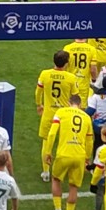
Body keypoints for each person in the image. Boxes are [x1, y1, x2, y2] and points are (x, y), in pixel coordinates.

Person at [44, 95, 94, 210]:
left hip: (64, 154)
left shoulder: (61, 112)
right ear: (80, 104)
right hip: (79, 156)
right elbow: (90, 141)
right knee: (73, 187)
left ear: (68, 103)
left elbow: (52, 133)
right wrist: (87, 158)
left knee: (56, 179)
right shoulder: (86, 118)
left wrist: (48, 151)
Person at [35, 51, 78, 182]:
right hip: (65, 115)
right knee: (65, 142)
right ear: (66, 63)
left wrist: (39, 104)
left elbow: (38, 92)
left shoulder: (45, 74)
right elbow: (75, 97)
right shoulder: (71, 78)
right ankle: (64, 170)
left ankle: (46, 172)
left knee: (46, 142)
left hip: (49, 113)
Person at [63, 38, 98, 108]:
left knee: (68, 106)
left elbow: (63, 66)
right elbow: (93, 69)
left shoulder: (67, 48)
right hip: (83, 84)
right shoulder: (92, 49)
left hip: (70, 83)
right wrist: (94, 79)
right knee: (81, 107)